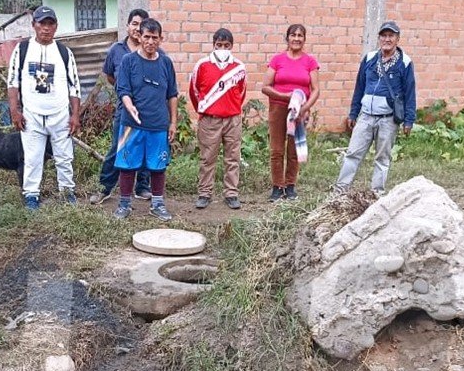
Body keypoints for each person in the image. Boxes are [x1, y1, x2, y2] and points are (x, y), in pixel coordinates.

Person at [6, 6, 81, 209]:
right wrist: (15, 111)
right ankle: (31, 195)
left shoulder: (64, 53)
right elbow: (12, 83)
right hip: (32, 115)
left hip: (60, 115)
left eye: (50, 24)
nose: (46, 28)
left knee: (65, 157)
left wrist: (75, 116)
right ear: (34, 25)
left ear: (56, 26)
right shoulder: (22, 50)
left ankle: (67, 192)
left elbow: (74, 87)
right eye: (42, 23)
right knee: (32, 158)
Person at [334, 20, 416, 195]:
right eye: (384, 35)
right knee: (352, 153)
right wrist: (353, 112)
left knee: (382, 158)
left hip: (388, 119)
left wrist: (409, 120)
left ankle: (376, 194)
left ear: (397, 39)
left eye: (391, 36)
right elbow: (359, 87)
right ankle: (339, 191)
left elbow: (410, 92)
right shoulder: (370, 59)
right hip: (365, 116)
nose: (387, 39)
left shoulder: (405, 63)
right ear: (379, 38)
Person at [113, 18, 178, 221]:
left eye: (154, 38)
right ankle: (124, 204)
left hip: (158, 124)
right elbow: (122, 89)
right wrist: (129, 104)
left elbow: (172, 94)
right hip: (132, 124)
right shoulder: (128, 61)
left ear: (161, 39)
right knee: (127, 164)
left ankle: (157, 204)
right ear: (139, 36)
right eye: (147, 37)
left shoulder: (166, 62)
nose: (150, 41)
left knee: (158, 166)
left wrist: (173, 122)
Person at [91, 8, 154, 204]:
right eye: (134, 24)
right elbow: (110, 77)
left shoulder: (154, 51)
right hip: (124, 110)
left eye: (141, 25)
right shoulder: (116, 51)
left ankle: (142, 187)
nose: (137, 28)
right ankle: (105, 187)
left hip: (148, 110)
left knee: (144, 148)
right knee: (117, 148)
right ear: (127, 26)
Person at [189, 28, 247, 210]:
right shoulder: (202, 65)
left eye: (226, 45)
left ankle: (231, 193)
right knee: (207, 158)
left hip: (233, 119)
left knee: (232, 158)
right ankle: (205, 193)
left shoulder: (239, 67)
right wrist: (206, 108)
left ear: (232, 46)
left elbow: (242, 92)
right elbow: (194, 91)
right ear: (213, 45)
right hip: (209, 120)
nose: (223, 48)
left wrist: (231, 107)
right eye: (219, 45)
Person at [260, 24, 319, 201]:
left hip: (299, 111)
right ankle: (277, 187)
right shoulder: (277, 60)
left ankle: (290, 186)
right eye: (293, 35)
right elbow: (265, 87)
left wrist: (305, 108)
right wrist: (285, 96)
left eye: (300, 35)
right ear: (287, 38)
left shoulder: (310, 62)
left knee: (294, 149)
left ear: (304, 39)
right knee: (277, 149)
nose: (297, 38)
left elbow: (315, 89)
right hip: (278, 108)